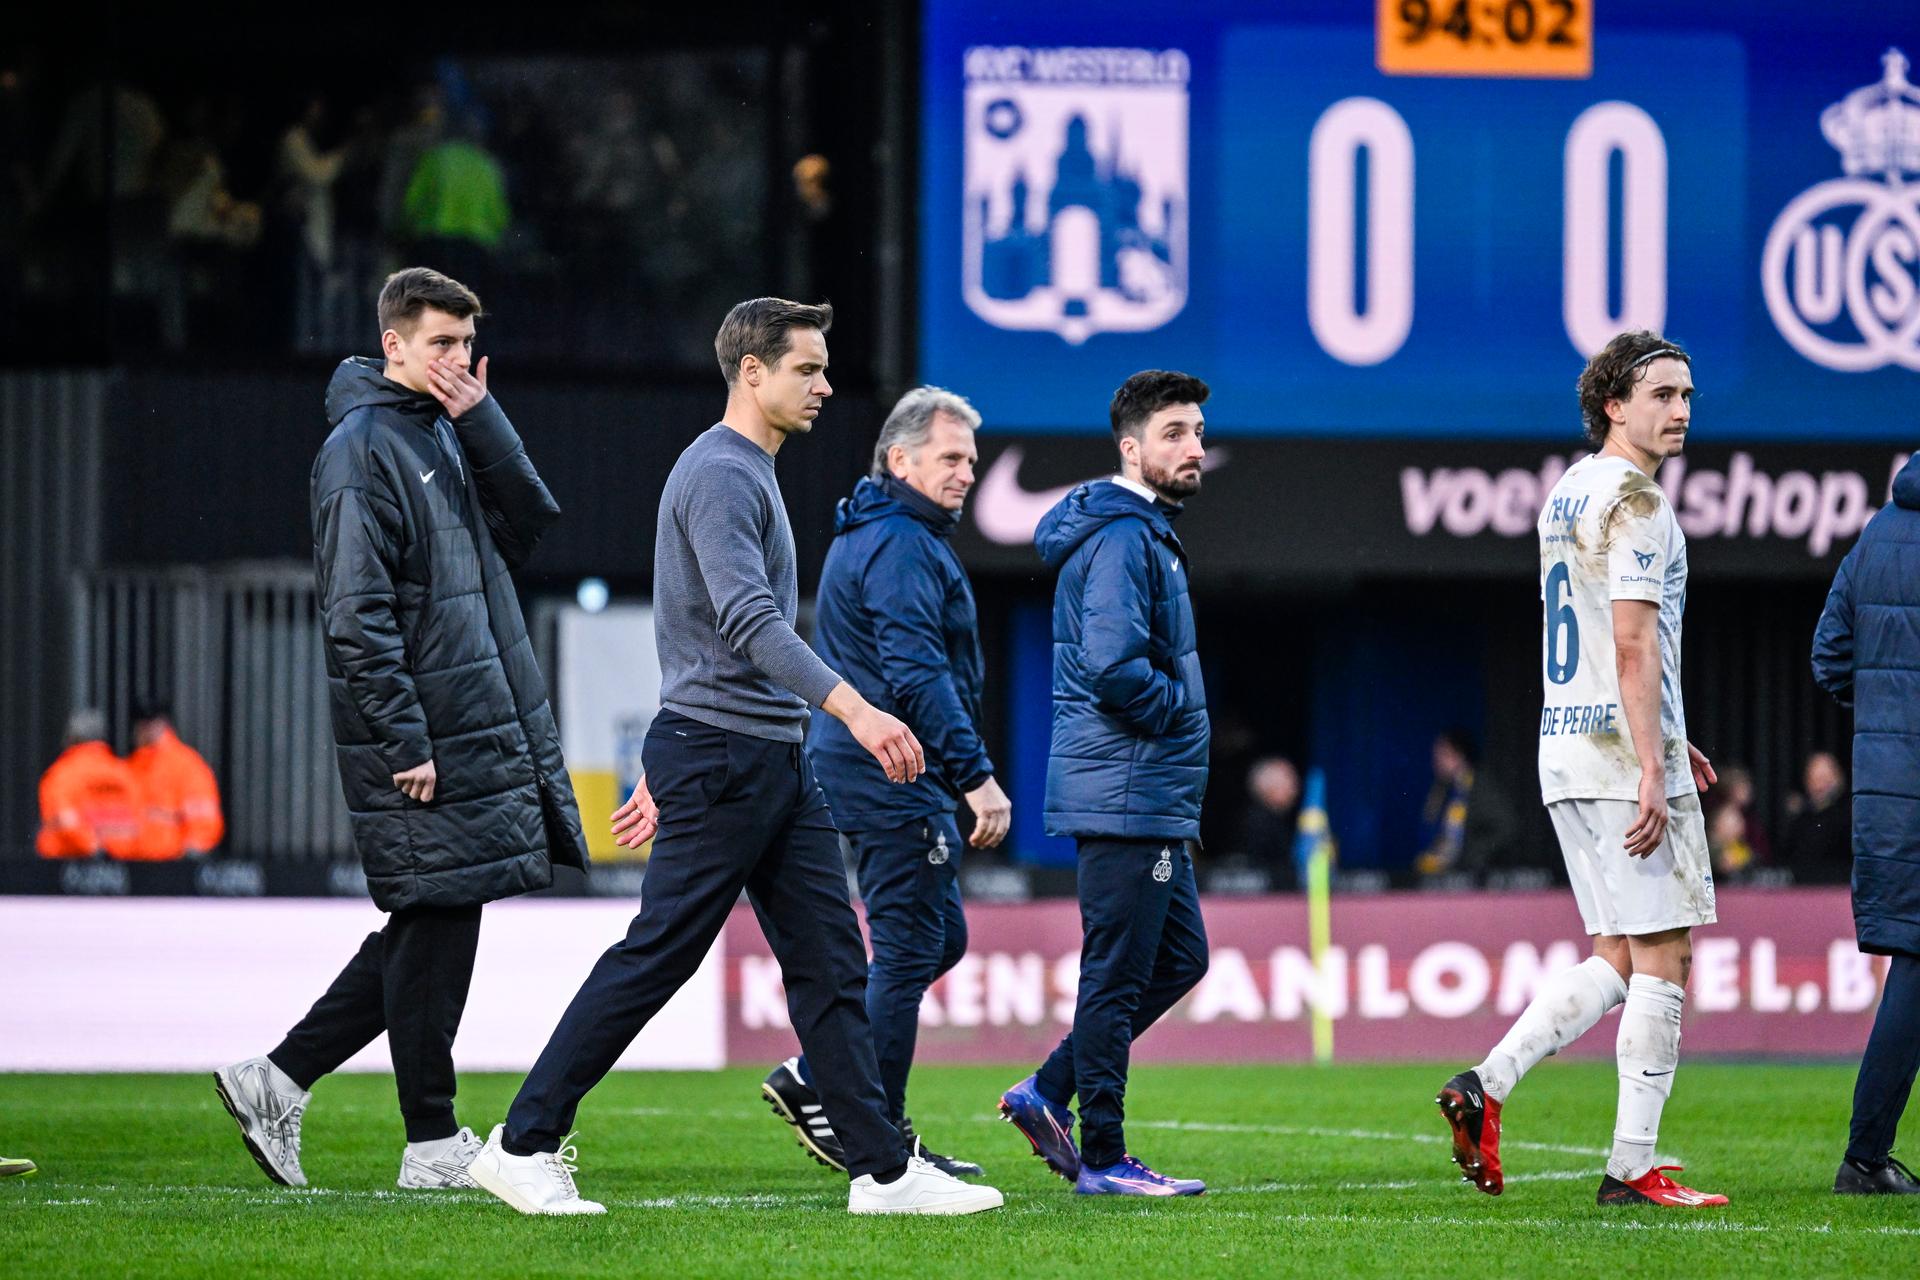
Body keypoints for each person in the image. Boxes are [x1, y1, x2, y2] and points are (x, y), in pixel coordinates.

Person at [466, 298, 1004, 1218]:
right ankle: (521, 1144)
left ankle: (881, 1171)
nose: (825, 385)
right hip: (726, 757)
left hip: (766, 758)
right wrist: (855, 709)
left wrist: (677, 748)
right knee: (658, 956)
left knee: (832, 965)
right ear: (752, 372)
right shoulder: (721, 472)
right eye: (808, 369)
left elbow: (700, 637)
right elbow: (747, 622)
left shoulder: (748, 469)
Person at [213, 267, 586, 1193]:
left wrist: (483, 420)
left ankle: (286, 1082)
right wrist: (404, 739)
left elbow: (527, 526)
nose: (458, 359)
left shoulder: (443, 430)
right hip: (426, 729)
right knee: (437, 914)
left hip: (471, 713)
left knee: (437, 913)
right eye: (440, 344)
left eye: (467, 344)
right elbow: (356, 612)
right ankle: (424, 1136)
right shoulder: (359, 448)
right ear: (393, 344)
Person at [1436, 330, 1726, 1208]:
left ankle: (1487, 1083)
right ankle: (1632, 1165)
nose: (1680, 410)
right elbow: (1632, 642)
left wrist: (1672, 733)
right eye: (1661, 394)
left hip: (1565, 745)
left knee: (1618, 953)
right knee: (1666, 955)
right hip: (1617, 758)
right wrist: (1652, 763)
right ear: (1613, 404)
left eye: (1686, 395)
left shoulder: (1568, 489)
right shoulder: (1637, 499)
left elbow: (1600, 635)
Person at [761, 386, 1008, 1180]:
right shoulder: (901, 542)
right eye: (951, 457)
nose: (967, 472)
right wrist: (976, 776)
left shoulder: (881, 530)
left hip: (875, 769)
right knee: (908, 951)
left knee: (939, 940)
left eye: (972, 459)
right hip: (893, 771)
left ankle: (818, 1073)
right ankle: (882, 1139)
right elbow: (917, 673)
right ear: (900, 459)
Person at [997, 369, 1213, 1197]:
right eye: (1173, 434)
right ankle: (1104, 1156)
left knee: (1181, 958)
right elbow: (1116, 667)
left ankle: (1047, 1089)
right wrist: (1180, 713)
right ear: (1131, 448)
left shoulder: (1140, 530)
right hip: (1128, 790)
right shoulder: (1125, 536)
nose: (1193, 448)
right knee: (1117, 976)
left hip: (1142, 792)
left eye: (1197, 432)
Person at [1812, 452, 1920, 1194]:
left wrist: (1890, 714)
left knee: (1914, 959)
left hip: (1889, 789)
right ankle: (1863, 1156)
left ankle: (1867, 1156)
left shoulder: (1876, 535)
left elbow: (1829, 658)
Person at [1414, 730, 1520, 879]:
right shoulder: (1443, 789)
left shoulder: (1480, 787)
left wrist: (1474, 854)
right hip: (1447, 874)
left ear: (1460, 755)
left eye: (1444, 754)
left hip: (1478, 876)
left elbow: (1507, 827)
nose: (1437, 761)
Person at [36, 709, 141, 860]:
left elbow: (64, 819)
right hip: (124, 865)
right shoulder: (124, 773)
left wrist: (93, 846)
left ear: (71, 738)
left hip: (67, 864)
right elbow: (139, 821)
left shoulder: (62, 774)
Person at [127, 698, 224, 859]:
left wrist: (191, 855)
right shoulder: (132, 765)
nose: (146, 729)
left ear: (164, 724)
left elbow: (203, 817)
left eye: (151, 723)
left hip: (171, 860)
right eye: (143, 724)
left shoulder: (185, 764)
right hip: (135, 861)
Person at [1779, 752, 1852, 885]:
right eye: (1815, 779)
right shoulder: (1800, 819)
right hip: (1803, 890)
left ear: (1838, 779)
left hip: (1838, 888)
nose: (1820, 785)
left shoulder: (1849, 815)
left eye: (1825, 778)